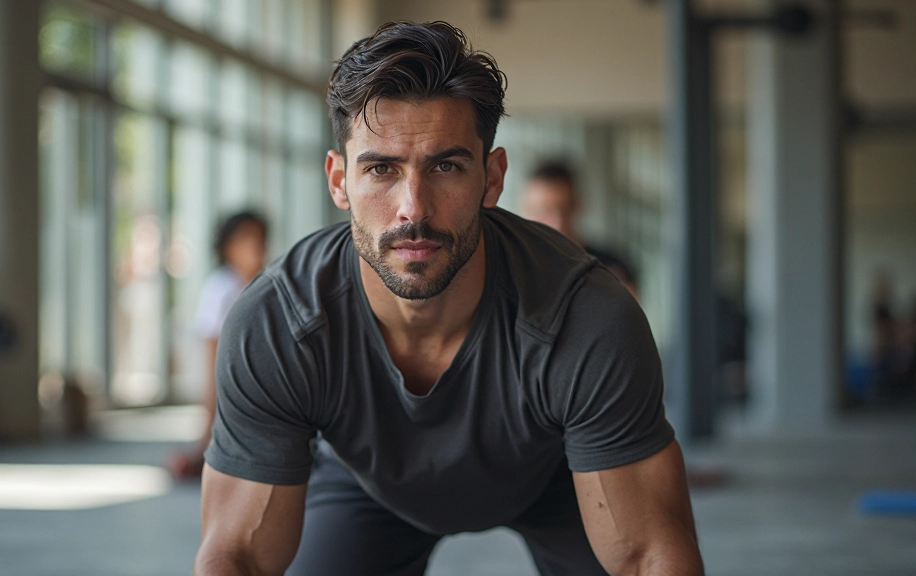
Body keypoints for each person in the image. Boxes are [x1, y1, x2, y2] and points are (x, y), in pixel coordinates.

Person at [196, 21, 702, 576]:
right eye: (381, 169)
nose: (413, 208)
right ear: (338, 181)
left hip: (560, 470)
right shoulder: (279, 321)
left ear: (492, 176)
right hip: (370, 484)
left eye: (446, 166)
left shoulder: (585, 317)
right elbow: (237, 556)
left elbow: (650, 557)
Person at [169, 211, 267, 480]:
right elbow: (213, 360)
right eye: (247, 239)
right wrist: (205, 434)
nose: (256, 246)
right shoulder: (219, 288)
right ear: (228, 248)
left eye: (260, 238)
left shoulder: (267, 283)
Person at [520, 160, 639, 298]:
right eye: (544, 210)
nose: (557, 223)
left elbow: (629, 315)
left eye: (565, 209)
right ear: (525, 210)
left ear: (578, 205)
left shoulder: (613, 267)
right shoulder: (516, 268)